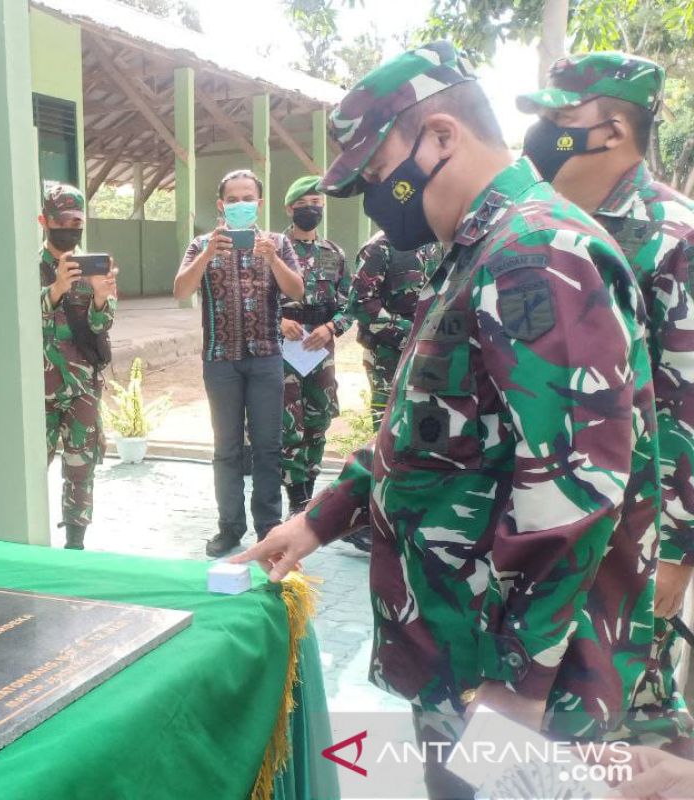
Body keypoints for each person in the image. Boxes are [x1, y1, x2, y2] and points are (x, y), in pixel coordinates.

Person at [234, 41, 659, 800]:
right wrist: (317, 521)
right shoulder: (478, 249)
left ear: (440, 136)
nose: (376, 194)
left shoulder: (531, 253)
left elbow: (576, 487)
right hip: (464, 659)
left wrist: (519, 685)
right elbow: (424, 425)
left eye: (377, 171)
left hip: (514, 687)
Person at [519, 52, 694, 752]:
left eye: (561, 120)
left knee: (633, 708)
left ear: (614, 129)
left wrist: (679, 549)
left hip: (636, 535)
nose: (543, 136)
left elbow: (688, 400)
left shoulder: (672, 237)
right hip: (557, 520)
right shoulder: (555, 227)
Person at [173, 169, 304, 558]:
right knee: (226, 448)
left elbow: (297, 289)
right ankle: (229, 527)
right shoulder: (201, 244)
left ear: (259, 203)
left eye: (248, 198)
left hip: (265, 358)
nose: (240, 204)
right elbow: (181, 289)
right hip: (220, 360)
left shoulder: (279, 242)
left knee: (268, 446)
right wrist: (209, 254)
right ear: (221, 204)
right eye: (232, 199)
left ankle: (268, 528)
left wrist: (274, 259)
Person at [37, 184, 118, 550]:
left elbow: (102, 328)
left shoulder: (94, 267)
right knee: (32, 466)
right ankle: (21, 534)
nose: (70, 226)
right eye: (62, 220)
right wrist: (54, 290)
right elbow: (15, 318)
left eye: (77, 220)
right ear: (45, 221)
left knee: (81, 467)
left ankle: (75, 541)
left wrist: (101, 297)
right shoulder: (25, 266)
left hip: (82, 388)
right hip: (36, 389)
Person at [278, 176, 353, 522]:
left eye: (317, 203)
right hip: (285, 350)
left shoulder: (334, 254)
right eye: (305, 204)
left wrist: (330, 327)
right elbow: (255, 299)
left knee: (318, 419)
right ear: (290, 208)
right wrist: (277, 322)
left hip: (320, 350)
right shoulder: (275, 250)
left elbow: (350, 303)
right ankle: (295, 497)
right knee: (288, 421)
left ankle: (309, 490)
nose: (312, 209)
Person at [347, 233, 430, 430]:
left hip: (431, 353)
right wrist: (411, 334)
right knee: (388, 428)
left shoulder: (435, 245)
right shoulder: (380, 247)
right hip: (388, 355)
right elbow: (361, 302)